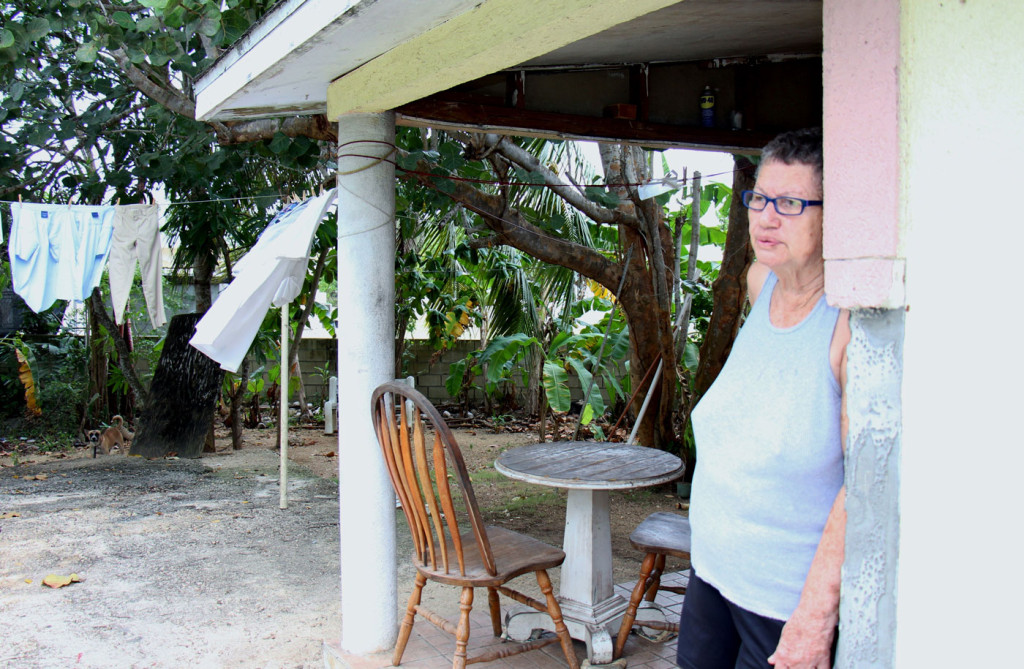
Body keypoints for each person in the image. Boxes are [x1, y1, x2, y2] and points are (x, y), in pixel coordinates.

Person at [676, 127, 849, 669]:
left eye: (791, 203)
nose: (767, 218)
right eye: (760, 199)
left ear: (834, 216)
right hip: (712, 575)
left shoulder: (847, 328)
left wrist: (815, 618)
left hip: (781, 603)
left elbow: (866, 486)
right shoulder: (761, 281)